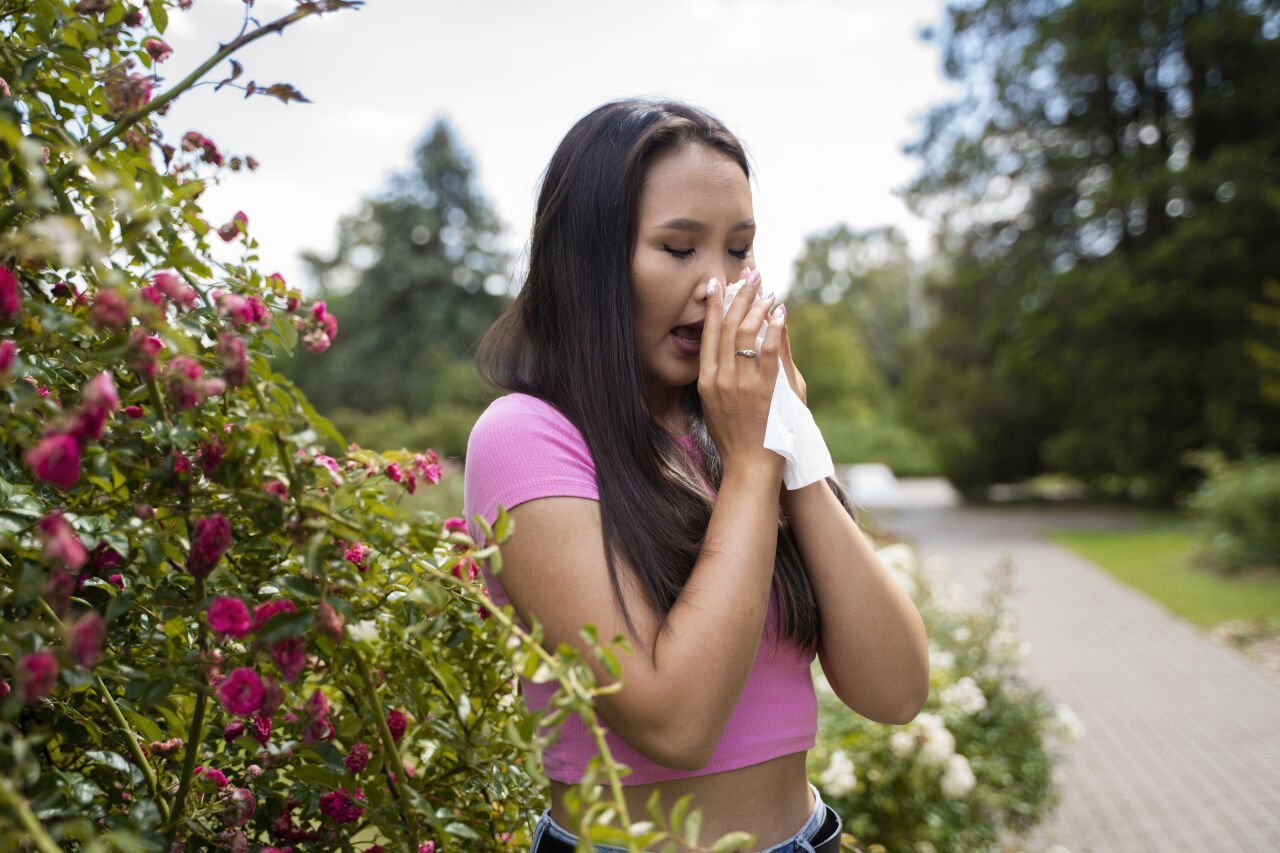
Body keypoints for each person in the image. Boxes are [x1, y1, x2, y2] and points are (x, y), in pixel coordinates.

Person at [464, 99, 929, 853]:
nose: (720, 286)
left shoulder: (735, 432)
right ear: (589, 262)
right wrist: (751, 463)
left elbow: (895, 688)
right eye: (679, 249)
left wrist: (791, 442)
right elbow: (674, 721)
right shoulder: (527, 437)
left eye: (739, 250)